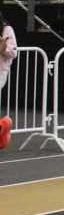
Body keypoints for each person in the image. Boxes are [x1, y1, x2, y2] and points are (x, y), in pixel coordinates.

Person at [0, 10, 16, 147]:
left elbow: (13, 52)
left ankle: (3, 126)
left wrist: (3, 47)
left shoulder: (7, 30)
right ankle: (3, 126)